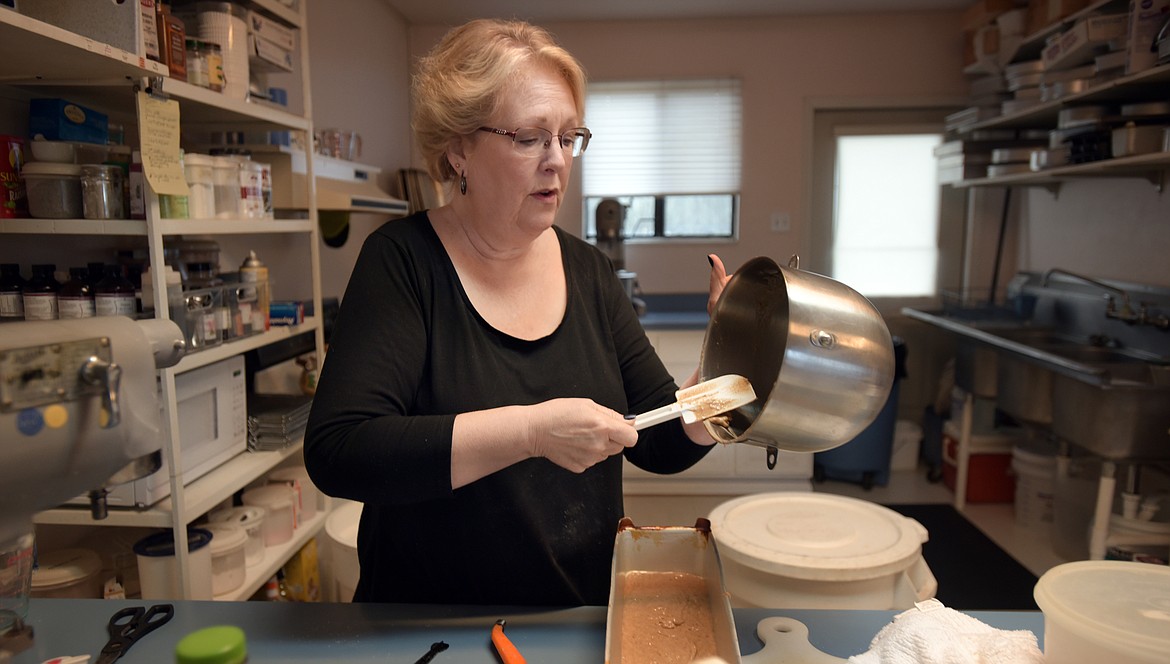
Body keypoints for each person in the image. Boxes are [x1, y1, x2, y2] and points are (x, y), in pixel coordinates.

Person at [304, 18, 731, 606]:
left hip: (574, 619)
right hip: (427, 629)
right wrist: (531, 432)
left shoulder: (590, 273)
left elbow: (659, 439)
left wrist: (722, 377)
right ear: (459, 149)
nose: (556, 160)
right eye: (530, 137)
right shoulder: (403, 263)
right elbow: (341, 451)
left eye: (567, 137)